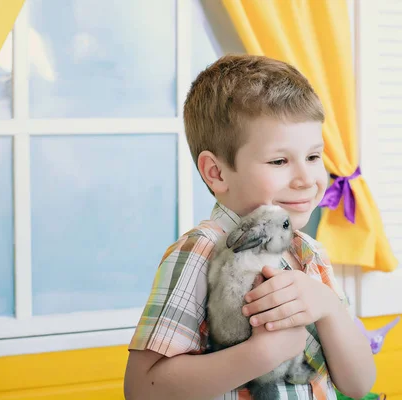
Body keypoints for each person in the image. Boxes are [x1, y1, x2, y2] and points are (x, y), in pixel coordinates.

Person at [123, 54, 376, 400]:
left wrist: (328, 306)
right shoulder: (203, 250)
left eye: (314, 156)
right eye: (279, 161)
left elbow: (359, 384)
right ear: (217, 172)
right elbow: (141, 389)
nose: (306, 179)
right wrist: (262, 355)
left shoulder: (311, 254)